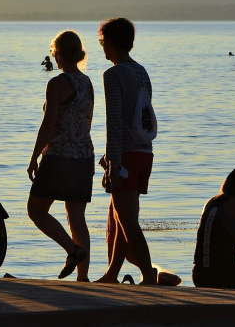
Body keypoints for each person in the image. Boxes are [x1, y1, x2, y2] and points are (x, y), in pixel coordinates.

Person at [27, 30, 94, 281]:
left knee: (36, 210)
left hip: (60, 157)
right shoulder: (87, 82)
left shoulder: (57, 83)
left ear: (59, 54)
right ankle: (83, 277)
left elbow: (48, 124)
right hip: (84, 156)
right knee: (77, 217)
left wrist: (34, 156)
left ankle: (73, 250)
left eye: (53, 51)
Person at [96, 17, 157, 285]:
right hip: (145, 153)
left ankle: (149, 274)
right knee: (124, 218)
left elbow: (114, 122)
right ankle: (111, 274)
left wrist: (113, 162)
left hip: (127, 157)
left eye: (102, 42)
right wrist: (112, 156)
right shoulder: (141, 71)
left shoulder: (113, 74)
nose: (102, 47)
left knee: (128, 221)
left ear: (110, 41)